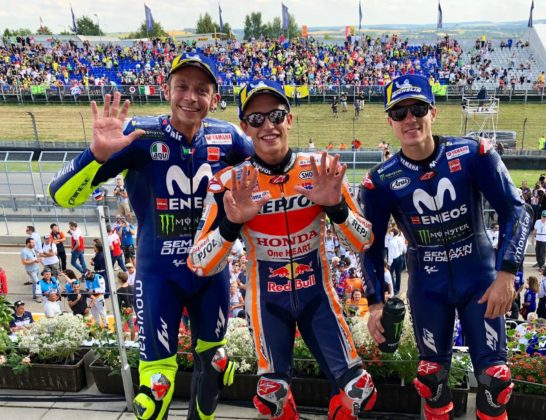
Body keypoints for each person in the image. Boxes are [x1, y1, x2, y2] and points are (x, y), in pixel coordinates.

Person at [48, 52, 253, 420]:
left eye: (201, 90)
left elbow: (272, 174)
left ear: (214, 97)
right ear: (166, 90)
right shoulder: (139, 136)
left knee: (217, 364)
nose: (191, 97)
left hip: (213, 274)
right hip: (159, 276)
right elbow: (61, 195)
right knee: (155, 387)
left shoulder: (230, 137)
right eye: (182, 87)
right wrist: (96, 154)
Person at [188, 79, 377, 420]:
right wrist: (231, 225)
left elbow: (363, 241)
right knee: (271, 397)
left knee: (359, 391)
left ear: (289, 119)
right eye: (256, 119)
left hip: (318, 296)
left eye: (275, 115)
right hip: (267, 302)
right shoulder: (230, 182)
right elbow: (199, 263)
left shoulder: (320, 169)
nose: (268, 126)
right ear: (245, 127)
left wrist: (336, 208)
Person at [360, 75, 531, 420]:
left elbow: (516, 210)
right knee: (430, 378)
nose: (410, 119)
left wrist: (507, 274)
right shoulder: (379, 181)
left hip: (480, 281)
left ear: (433, 113)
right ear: (390, 122)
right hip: (428, 286)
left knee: (496, 381)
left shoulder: (474, 153)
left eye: (418, 109)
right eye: (400, 113)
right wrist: (375, 303)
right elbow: (370, 245)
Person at [116, 271, 136, 341]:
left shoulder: (119, 291)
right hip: (130, 309)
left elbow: (118, 304)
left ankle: (123, 341)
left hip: (122, 310)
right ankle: (132, 341)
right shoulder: (132, 288)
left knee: (120, 326)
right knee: (131, 326)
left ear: (120, 279)